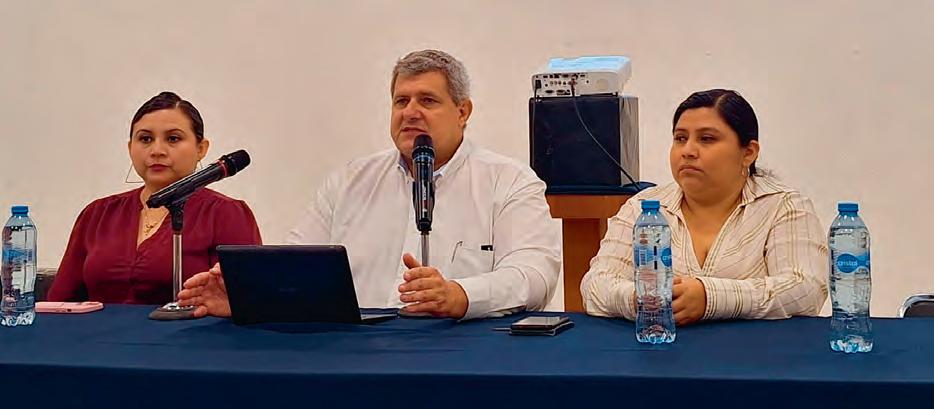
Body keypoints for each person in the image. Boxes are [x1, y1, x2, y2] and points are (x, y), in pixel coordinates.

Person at [178, 50, 561, 320]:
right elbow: (294, 265)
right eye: (401, 101)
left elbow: (534, 276)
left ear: (463, 112)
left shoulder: (508, 180)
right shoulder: (350, 181)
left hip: (462, 356)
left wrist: (460, 295)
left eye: (427, 100)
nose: (410, 112)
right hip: (354, 357)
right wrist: (250, 297)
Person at [581, 89, 827, 325]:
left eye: (706, 139)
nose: (688, 151)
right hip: (661, 349)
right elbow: (595, 286)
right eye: (680, 139)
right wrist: (640, 299)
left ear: (748, 153)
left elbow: (805, 289)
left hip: (758, 351)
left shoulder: (784, 207)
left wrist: (710, 298)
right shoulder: (642, 208)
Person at [48, 92, 262, 304]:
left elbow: (251, 302)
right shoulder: (98, 214)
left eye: (173, 138)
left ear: (201, 149)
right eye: (145, 139)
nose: (157, 150)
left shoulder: (226, 213)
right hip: (97, 328)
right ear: (130, 148)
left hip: (192, 327)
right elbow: (58, 303)